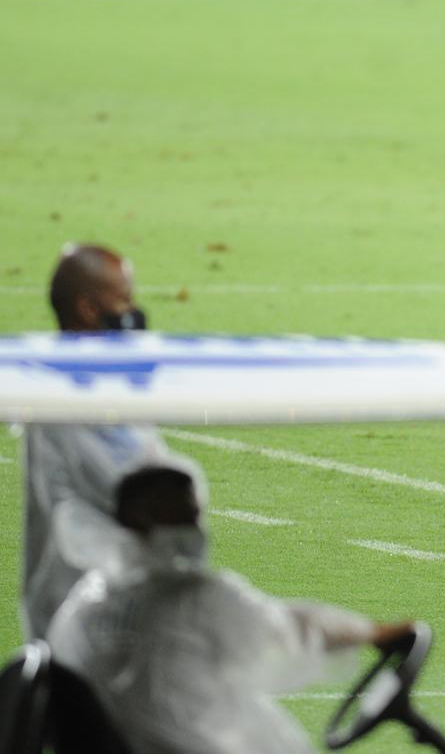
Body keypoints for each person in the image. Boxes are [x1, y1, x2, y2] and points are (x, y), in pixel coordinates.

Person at [46, 457, 414, 754]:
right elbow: (292, 631)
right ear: (143, 519)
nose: (196, 528)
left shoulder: (82, 605)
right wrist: (373, 633)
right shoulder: (196, 598)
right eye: (184, 516)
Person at [21, 243, 168, 640]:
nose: (132, 311)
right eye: (123, 299)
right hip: (73, 614)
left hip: (123, 607)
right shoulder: (58, 401)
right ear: (88, 308)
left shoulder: (113, 383)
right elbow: (117, 487)